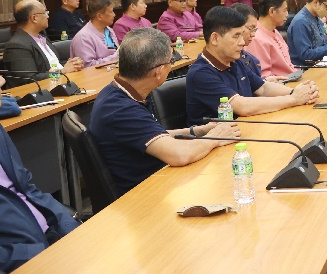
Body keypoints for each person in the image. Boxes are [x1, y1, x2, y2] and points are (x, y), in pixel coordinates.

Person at [0, 38, 79, 272]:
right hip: (17, 268)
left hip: (50, 242)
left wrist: (71, 228)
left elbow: (28, 189)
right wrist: (41, 255)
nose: (2, 81)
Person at [89, 28, 242, 197]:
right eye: (171, 61)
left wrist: (200, 130)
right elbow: (180, 155)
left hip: (159, 180)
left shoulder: (120, 91)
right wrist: (215, 137)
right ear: (159, 71)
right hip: (146, 194)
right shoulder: (121, 110)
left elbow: (152, 135)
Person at [186, 6, 319, 127]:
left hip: (245, 129)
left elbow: (263, 88)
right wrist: (294, 99)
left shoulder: (234, 60)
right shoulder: (201, 73)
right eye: (236, 36)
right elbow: (243, 106)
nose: (242, 42)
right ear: (215, 38)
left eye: (242, 35)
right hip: (216, 140)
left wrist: (297, 92)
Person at [2, 0, 83, 84]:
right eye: (45, 13)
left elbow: (54, 64)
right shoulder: (17, 46)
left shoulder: (42, 38)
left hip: (60, 83)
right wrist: (63, 70)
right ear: (34, 18)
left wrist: (73, 64)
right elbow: (30, 79)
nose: (48, 16)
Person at [249, 0, 297, 78]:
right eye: (285, 10)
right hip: (280, 83)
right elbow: (264, 76)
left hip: (292, 77)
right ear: (272, 11)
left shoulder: (275, 31)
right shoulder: (256, 37)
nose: (287, 14)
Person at [69, 0, 119, 67]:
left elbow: (117, 51)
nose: (114, 15)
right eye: (111, 12)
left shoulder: (109, 30)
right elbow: (88, 66)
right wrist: (116, 57)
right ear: (99, 16)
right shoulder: (83, 37)